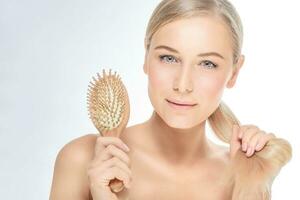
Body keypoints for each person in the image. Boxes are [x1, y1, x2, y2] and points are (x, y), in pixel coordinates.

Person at [49, 0, 292, 199]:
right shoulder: (83, 159)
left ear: (235, 72)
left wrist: (252, 187)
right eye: (168, 58)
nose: (182, 85)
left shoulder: (241, 173)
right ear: (146, 56)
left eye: (207, 64)